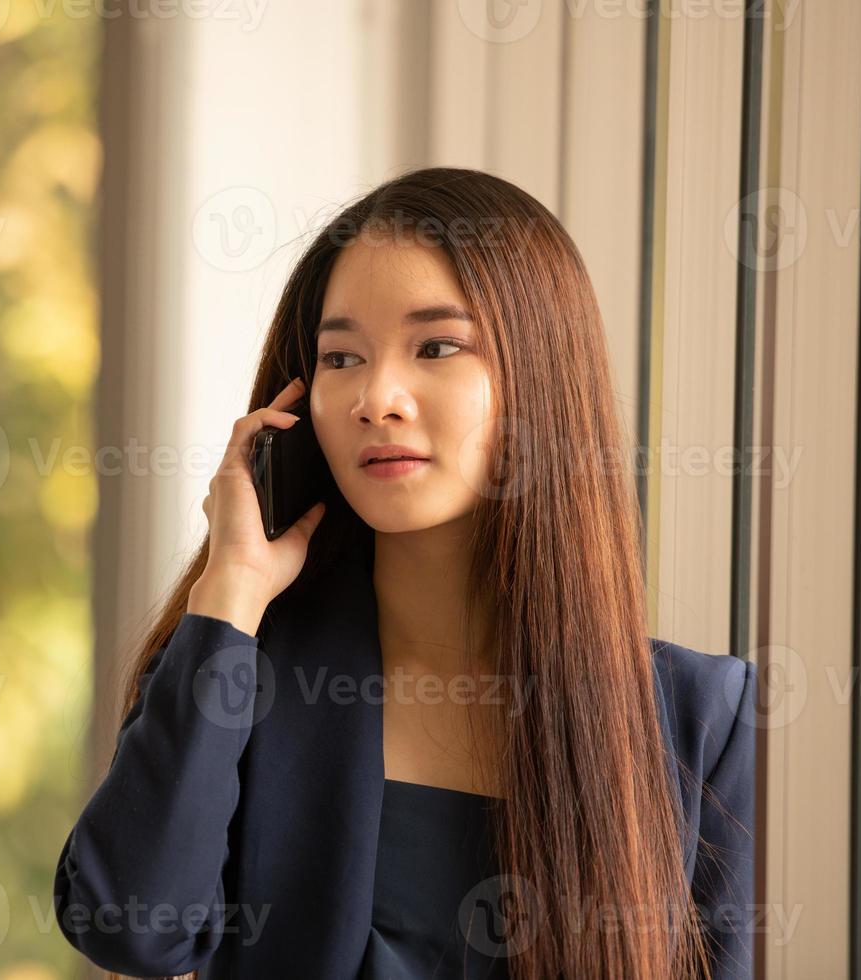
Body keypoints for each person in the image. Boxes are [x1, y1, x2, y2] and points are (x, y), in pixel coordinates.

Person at [53, 167, 758, 979]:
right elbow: (130, 929)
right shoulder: (234, 670)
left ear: (540, 379)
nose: (376, 397)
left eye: (436, 346)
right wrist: (231, 584)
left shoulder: (699, 720)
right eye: (341, 357)